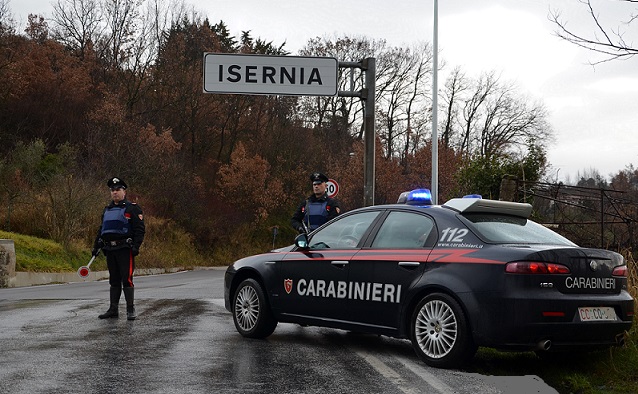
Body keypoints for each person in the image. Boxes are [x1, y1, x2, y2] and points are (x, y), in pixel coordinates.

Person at [92, 177, 145, 320]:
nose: (115, 192)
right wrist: (96, 245)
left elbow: (139, 230)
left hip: (125, 249)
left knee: (126, 279)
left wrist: (136, 246)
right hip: (110, 249)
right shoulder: (107, 209)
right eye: (112, 190)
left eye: (118, 190)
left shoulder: (132, 208)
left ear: (124, 191)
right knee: (114, 280)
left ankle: (130, 309)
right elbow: (101, 230)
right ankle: (113, 309)